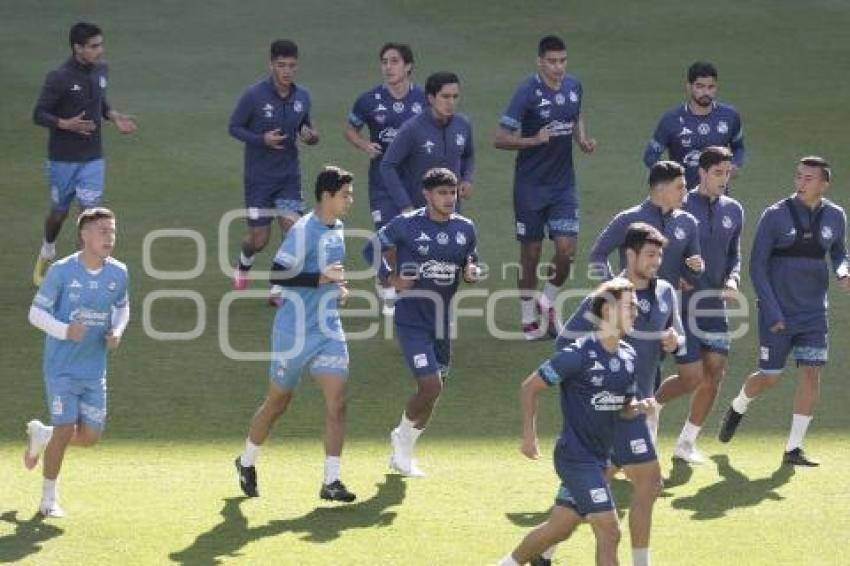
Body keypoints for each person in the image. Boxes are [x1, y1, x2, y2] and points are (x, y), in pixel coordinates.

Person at [498, 278, 653, 566]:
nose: (636, 312)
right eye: (630, 306)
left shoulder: (628, 356)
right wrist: (529, 437)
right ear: (607, 310)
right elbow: (529, 387)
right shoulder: (578, 355)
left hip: (599, 459)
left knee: (559, 528)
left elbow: (623, 407)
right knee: (609, 530)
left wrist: (638, 407)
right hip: (575, 458)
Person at [552, 224, 682, 566]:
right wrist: (594, 380)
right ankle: (536, 551)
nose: (657, 262)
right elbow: (565, 344)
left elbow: (677, 333)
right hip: (604, 411)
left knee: (644, 483)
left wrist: (675, 340)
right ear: (631, 255)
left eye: (660, 255)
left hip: (635, 406)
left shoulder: (666, 291)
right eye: (651, 255)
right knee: (614, 486)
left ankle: (547, 551)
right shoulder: (606, 299)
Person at [234, 166, 356, 503]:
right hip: (295, 332)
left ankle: (331, 481)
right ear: (327, 195)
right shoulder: (304, 231)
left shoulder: (339, 228)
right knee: (278, 403)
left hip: (328, 328)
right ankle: (246, 462)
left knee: (338, 403)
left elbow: (331, 271)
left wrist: (339, 287)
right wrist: (322, 279)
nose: (350, 200)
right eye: (345, 194)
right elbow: (278, 273)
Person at [719, 156, 850, 466]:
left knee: (811, 373)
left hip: (814, 313)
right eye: (799, 176)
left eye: (808, 178)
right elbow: (757, 266)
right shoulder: (775, 216)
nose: (801, 182)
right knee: (770, 376)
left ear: (824, 184)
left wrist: (844, 271)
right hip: (778, 311)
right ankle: (739, 404)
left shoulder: (835, 216)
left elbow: (839, 252)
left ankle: (794, 448)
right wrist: (773, 310)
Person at [23, 207, 130, 518]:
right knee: (66, 425)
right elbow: (35, 314)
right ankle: (48, 499)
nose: (109, 237)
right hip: (61, 368)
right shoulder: (61, 271)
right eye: (102, 231)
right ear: (84, 235)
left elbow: (123, 307)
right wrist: (65, 330)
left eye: (112, 231)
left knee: (90, 437)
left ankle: (43, 435)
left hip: (94, 369)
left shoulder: (119, 272)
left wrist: (118, 330)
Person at [377, 168, 480, 477]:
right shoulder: (408, 225)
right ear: (427, 195)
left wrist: (472, 271)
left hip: (443, 322)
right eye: (442, 193)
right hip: (412, 320)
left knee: (435, 391)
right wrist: (390, 278)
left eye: (453, 193)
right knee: (430, 385)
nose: (449, 199)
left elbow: (470, 259)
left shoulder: (465, 228)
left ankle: (404, 444)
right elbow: (371, 246)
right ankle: (403, 445)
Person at [493, 34, 596, 340]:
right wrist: (532, 140)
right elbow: (499, 137)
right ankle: (527, 315)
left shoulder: (573, 86)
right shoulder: (527, 92)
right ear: (539, 62)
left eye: (562, 60)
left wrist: (582, 140)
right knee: (531, 252)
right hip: (530, 186)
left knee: (567, 249)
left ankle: (547, 301)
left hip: (563, 185)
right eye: (552, 61)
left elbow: (576, 114)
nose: (558, 67)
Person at [654, 147, 744, 463]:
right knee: (691, 377)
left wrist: (732, 279)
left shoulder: (734, 210)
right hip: (680, 306)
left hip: (712, 305)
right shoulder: (679, 205)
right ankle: (652, 408)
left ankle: (686, 442)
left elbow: (735, 254)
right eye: (718, 173)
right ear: (702, 173)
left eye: (728, 173)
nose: (724, 179)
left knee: (715, 370)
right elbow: (655, 246)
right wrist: (672, 275)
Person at [32, 22, 137, 287]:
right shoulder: (59, 77)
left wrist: (113, 115)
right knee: (59, 212)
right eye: (93, 46)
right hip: (63, 159)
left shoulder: (102, 70)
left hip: (92, 157)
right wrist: (65, 124)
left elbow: (98, 100)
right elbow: (39, 113)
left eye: (100, 45)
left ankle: (81, 274)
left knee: (90, 215)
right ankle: (47, 250)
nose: (99, 51)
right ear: (77, 48)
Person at [229, 39, 320, 305]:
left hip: (289, 176)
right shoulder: (254, 95)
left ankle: (278, 287)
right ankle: (245, 262)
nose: (286, 71)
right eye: (281, 65)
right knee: (259, 239)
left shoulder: (302, 96)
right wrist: (261, 140)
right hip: (258, 179)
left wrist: (311, 136)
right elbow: (234, 127)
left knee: (293, 232)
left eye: (291, 66)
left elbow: (306, 125)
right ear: (271, 65)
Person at [344, 42, 428, 315]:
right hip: (382, 181)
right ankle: (389, 286)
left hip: (415, 182)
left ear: (408, 66)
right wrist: (364, 146)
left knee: (410, 240)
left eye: (394, 61)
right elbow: (350, 130)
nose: (388, 67)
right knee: (389, 237)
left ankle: (393, 283)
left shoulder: (425, 100)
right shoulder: (368, 100)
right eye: (384, 62)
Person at [589, 161, 704, 287]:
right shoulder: (628, 219)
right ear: (660, 189)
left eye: (685, 187)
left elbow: (695, 272)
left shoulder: (688, 222)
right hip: (632, 302)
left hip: (668, 303)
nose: (685, 193)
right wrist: (613, 287)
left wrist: (696, 268)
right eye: (679, 187)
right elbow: (598, 254)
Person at [379, 72, 474, 212]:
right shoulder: (412, 129)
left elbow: (468, 155)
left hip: (452, 212)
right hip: (419, 213)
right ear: (431, 98)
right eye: (445, 96)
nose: (451, 102)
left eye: (455, 97)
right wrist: (404, 204)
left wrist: (467, 178)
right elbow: (387, 166)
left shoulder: (463, 124)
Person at [643, 61, 745, 190]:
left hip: (718, 198)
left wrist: (735, 164)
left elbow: (739, 147)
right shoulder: (671, 120)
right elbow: (650, 156)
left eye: (710, 87)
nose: (705, 92)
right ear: (689, 87)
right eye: (700, 86)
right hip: (681, 198)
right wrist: (667, 178)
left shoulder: (730, 116)